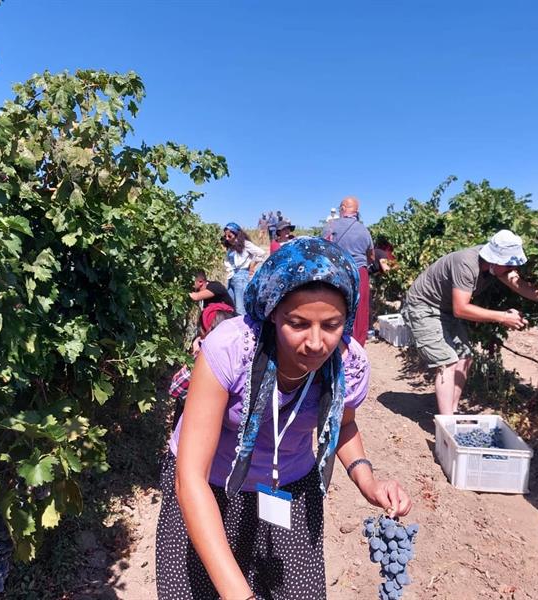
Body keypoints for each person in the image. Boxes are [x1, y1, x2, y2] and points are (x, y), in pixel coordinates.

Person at [156, 237, 412, 600]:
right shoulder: (231, 350)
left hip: (289, 487)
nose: (315, 342)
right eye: (297, 323)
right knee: (205, 588)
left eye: (332, 325)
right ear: (274, 311)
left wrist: (368, 482)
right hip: (210, 488)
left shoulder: (348, 366)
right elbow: (190, 478)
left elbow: (344, 424)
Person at [402, 230, 538, 415]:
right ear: (494, 260)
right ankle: (446, 425)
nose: (513, 270)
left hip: (445, 309)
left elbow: (522, 287)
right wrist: (503, 317)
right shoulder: (466, 264)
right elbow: (461, 309)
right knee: (446, 362)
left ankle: (451, 413)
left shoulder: (499, 267)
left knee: (465, 358)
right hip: (423, 306)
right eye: (509, 265)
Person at [169, 302, 235, 428]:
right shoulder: (237, 352)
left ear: (205, 329)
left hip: (195, 426)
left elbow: (176, 388)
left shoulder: (205, 353)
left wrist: (195, 354)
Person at [322, 197, 374, 346]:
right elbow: (371, 255)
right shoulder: (364, 230)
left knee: (336, 303)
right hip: (359, 271)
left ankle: (335, 341)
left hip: (338, 270)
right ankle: (357, 345)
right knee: (360, 308)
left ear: (343, 208)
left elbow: (322, 248)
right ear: (356, 211)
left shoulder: (330, 226)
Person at [222, 222, 267, 315]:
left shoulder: (246, 244)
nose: (227, 238)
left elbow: (261, 253)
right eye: (225, 236)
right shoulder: (231, 247)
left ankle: (244, 328)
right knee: (231, 305)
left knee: (240, 308)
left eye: (229, 236)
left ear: (236, 234)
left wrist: (253, 263)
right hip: (232, 277)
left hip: (241, 276)